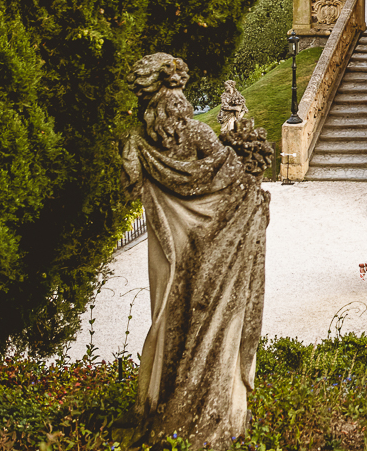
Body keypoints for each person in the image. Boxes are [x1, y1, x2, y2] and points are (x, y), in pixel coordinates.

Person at [121, 53, 272, 449]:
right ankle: (205, 407)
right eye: (173, 96)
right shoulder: (180, 137)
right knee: (201, 316)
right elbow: (233, 177)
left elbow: (138, 184)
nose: (178, 105)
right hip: (214, 243)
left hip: (192, 242)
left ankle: (171, 400)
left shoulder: (142, 144)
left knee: (182, 313)